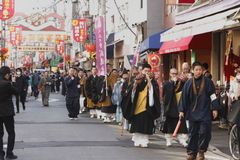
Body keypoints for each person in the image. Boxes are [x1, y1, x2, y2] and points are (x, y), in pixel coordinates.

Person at [179, 61, 219, 160]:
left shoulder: (208, 82)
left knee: (205, 132)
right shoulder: (188, 83)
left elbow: (213, 96)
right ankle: (192, 152)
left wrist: (214, 108)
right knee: (193, 134)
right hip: (192, 113)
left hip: (205, 112)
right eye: (196, 70)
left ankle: (201, 151)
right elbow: (183, 98)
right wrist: (181, 110)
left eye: (200, 70)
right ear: (192, 71)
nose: (198, 72)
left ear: (202, 70)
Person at [121, 63, 161, 147]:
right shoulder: (137, 79)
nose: (146, 73)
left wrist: (150, 84)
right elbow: (131, 92)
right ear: (141, 71)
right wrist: (135, 85)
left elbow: (155, 94)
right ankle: (137, 140)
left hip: (147, 108)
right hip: (137, 106)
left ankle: (144, 141)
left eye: (148, 71)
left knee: (146, 125)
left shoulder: (153, 81)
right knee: (137, 125)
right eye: (145, 71)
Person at [162, 68, 188, 147]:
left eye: (176, 73)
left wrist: (184, 80)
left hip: (179, 108)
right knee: (170, 126)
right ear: (170, 74)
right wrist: (173, 83)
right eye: (172, 73)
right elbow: (166, 95)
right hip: (170, 108)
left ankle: (183, 140)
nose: (174, 75)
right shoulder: (167, 83)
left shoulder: (181, 83)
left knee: (182, 126)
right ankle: (169, 140)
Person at [0, 66, 18, 160]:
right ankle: (9, 153)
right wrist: (13, 82)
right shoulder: (7, 84)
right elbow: (16, 92)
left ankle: (1, 155)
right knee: (11, 133)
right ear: (6, 74)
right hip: (7, 112)